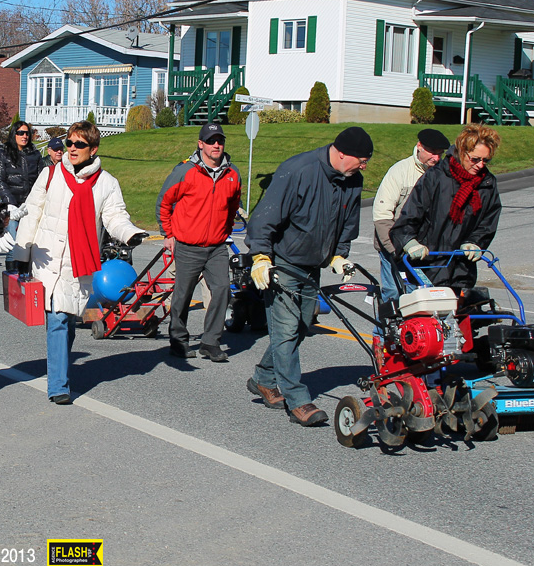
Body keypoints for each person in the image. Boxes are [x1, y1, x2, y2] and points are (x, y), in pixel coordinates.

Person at [11, 120, 147, 405]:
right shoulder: (50, 174)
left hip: (78, 263)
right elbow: (32, 214)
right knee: (57, 318)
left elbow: (115, 217)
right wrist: (21, 256)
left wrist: (130, 233)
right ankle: (59, 385)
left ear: (93, 149)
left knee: (69, 318)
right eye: (69, 143)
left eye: (79, 144)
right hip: (47, 260)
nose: (71, 149)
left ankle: (60, 367)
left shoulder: (106, 184)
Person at [245, 126, 372, 427]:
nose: (364, 167)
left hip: (312, 265)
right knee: (286, 330)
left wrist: (338, 255)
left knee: (301, 326)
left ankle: (264, 377)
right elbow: (265, 216)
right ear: (343, 154)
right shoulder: (298, 170)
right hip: (283, 263)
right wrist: (260, 257)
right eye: (362, 160)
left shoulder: (352, 180)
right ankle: (298, 400)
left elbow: (348, 222)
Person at [156, 122, 241, 363]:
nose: (216, 145)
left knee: (222, 289)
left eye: (220, 141)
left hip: (217, 247)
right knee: (183, 295)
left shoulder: (232, 173)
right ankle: (178, 340)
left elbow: (233, 206)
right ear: (201, 144)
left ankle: (210, 342)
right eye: (211, 141)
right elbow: (164, 202)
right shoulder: (186, 172)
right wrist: (168, 234)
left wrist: (226, 230)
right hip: (188, 246)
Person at [390, 124, 502, 290]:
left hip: (462, 270)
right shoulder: (436, 177)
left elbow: (487, 222)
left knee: (467, 305)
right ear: (462, 152)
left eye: (486, 160)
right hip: (427, 266)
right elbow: (409, 216)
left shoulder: (487, 183)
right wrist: (409, 242)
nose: (480, 165)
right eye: (475, 159)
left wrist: (475, 243)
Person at [372, 128, 450, 300]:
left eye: (440, 153)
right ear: (419, 146)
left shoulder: (444, 174)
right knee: (394, 293)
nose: (436, 158)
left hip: (427, 249)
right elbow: (382, 216)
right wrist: (398, 249)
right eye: (432, 152)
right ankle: (387, 317)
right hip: (395, 245)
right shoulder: (399, 171)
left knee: (424, 295)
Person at [0, 121, 43, 236]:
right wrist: (10, 204)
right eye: (21, 133)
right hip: (10, 205)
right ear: (14, 134)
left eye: (27, 133)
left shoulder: (35, 154)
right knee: (14, 240)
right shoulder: (3, 153)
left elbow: (41, 179)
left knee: (29, 241)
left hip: (30, 205)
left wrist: (34, 201)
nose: (24, 136)